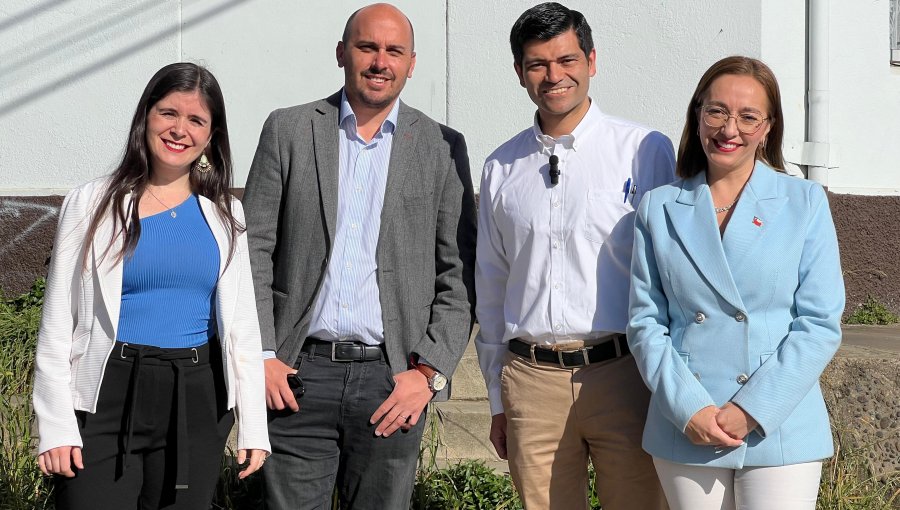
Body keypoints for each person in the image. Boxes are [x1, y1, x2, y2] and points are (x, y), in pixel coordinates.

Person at [241, 4, 476, 509]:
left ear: (412, 63)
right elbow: (253, 250)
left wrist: (428, 373)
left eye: (394, 51)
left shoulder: (441, 146)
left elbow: (459, 273)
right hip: (297, 375)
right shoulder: (289, 129)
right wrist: (261, 354)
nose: (379, 61)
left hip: (391, 380)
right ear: (342, 52)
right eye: (368, 47)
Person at [32, 62, 270, 509]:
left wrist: (253, 423)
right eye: (168, 113)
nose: (180, 129)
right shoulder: (92, 203)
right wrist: (56, 424)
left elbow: (242, 328)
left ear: (211, 135)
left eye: (196, 120)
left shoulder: (226, 216)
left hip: (197, 397)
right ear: (146, 116)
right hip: (108, 394)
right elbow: (58, 321)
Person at [474, 3, 674, 509]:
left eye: (566, 60)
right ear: (519, 73)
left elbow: (671, 273)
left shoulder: (644, 150)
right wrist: (499, 399)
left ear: (591, 61)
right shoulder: (501, 167)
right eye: (537, 64)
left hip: (624, 374)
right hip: (532, 382)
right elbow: (492, 289)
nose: (553, 76)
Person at [627, 56, 844, 510]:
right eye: (717, 111)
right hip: (688, 417)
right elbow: (645, 322)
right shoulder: (659, 207)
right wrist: (688, 407)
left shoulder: (803, 202)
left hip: (778, 419)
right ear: (697, 114)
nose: (730, 129)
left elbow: (819, 323)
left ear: (768, 127)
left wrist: (752, 409)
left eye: (748, 116)